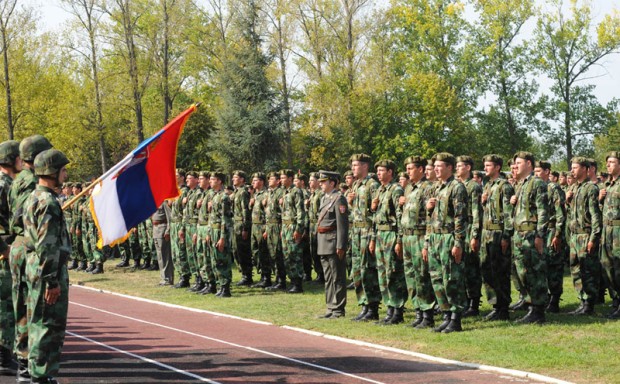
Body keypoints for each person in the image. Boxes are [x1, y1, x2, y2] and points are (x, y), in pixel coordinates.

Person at [23, 149, 71, 384]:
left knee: (39, 323)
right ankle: (42, 377)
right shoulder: (48, 202)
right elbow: (47, 245)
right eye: (62, 169)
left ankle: (39, 375)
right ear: (51, 171)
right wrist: (52, 281)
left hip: (37, 268)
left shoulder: (34, 197)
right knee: (47, 325)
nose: (65, 173)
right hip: (47, 271)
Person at [9, 135, 52, 381]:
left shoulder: (19, 179)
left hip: (20, 245)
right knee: (33, 308)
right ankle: (29, 364)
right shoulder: (30, 182)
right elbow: (24, 217)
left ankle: (26, 363)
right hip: (27, 247)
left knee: (25, 305)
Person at [423, 153, 468, 333]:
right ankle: (446, 314)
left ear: (450, 167)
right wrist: (426, 242)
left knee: (452, 278)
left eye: (440, 166)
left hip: (449, 237)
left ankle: (456, 318)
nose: (436, 169)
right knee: (437, 278)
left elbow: (460, 217)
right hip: (434, 237)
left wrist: (458, 243)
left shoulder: (457, 187)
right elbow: (430, 219)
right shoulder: (436, 188)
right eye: (435, 166)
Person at [510, 151, 549, 324]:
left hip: (531, 235)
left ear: (529, 164)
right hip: (519, 235)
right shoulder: (521, 185)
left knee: (534, 273)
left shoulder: (537, 183)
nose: (515, 166)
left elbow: (543, 211)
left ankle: (538, 310)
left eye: (518, 163)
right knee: (522, 273)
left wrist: (540, 236)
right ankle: (530, 305)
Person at [399, 156, 435, 329]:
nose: (407, 171)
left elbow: (430, 218)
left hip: (420, 237)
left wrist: (427, 243)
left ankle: (427, 314)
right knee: (411, 277)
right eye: (407, 168)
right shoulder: (408, 189)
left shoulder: (427, 188)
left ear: (420, 169)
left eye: (411, 168)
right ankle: (418, 312)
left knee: (422, 276)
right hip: (407, 237)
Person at [369, 159, 407, 325]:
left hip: (391, 234)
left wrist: (399, 240)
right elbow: (375, 217)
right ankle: (389, 308)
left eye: (382, 170)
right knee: (382, 274)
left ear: (390, 172)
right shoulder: (380, 190)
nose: (378, 173)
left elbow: (400, 217)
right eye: (377, 170)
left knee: (393, 273)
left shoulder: (396, 189)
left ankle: (397, 311)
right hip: (380, 234)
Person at [479, 155, 514, 321]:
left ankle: (503, 307)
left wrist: (506, 236)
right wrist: (483, 202)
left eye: (488, 165)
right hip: (486, 234)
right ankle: (495, 305)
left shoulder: (504, 186)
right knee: (487, 271)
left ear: (498, 167)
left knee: (500, 271)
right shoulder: (488, 186)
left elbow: (508, 214)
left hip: (498, 233)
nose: (485, 168)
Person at [566, 157, 602, 315]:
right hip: (574, 236)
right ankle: (582, 301)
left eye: (575, 167)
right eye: (571, 167)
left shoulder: (590, 188)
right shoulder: (574, 188)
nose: (572, 170)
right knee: (575, 270)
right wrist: (568, 201)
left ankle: (589, 304)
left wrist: (593, 238)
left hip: (585, 235)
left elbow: (595, 216)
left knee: (588, 270)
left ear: (584, 169)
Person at [348, 154, 381, 321]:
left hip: (367, 233)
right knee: (357, 271)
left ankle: (373, 307)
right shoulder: (355, 185)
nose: (353, 168)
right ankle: (364, 304)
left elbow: (376, 214)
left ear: (365, 166)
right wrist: (350, 202)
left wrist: (373, 238)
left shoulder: (372, 185)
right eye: (353, 165)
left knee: (368, 270)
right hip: (356, 232)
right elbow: (356, 212)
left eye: (356, 165)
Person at [534, 160, 566, 313]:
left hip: (553, 231)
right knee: (543, 266)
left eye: (539, 171)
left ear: (547, 171)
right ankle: (545, 298)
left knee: (554, 266)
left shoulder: (553, 188)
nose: (536, 174)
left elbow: (560, 214)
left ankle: (554, 300)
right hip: (542, 231)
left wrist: (558, 235)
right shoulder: (538, 187)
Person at [316, 171, 349, 319]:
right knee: (328, 277)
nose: (320, 184)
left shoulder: (339, 199)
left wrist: (341, 245)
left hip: (333, 242)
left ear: (332, 183)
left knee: (337, 277)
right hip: (323, 241)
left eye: (324, 182)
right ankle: (330, 306)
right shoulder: (325, 198)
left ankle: (338, 309)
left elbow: (342, 225)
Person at [0, 140, 20, 374]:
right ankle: (4, 358)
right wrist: (4, 248)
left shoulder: (9, 183)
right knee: (5, 307)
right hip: (4, 254)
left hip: (8, 250)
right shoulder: (4, 185)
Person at [455, 155, 483, 317]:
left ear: (468, 168)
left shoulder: (473, 187)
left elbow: (476, 212)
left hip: (470, 227)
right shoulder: (457, 185)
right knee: (461, 268)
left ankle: (473, 304)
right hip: (460, 229)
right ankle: (463, 300)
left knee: (471, 268)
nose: (458, 168)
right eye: (457, 166)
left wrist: (474, 236)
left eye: (460, 166)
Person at [279, 169, 306, 293]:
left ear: (290, 179)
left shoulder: (296, 191)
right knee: (287, 255)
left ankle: (298, 283)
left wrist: (299, 229)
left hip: (293, 227)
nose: (281, 180)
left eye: (283, 178)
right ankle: (292, 281)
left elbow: (300, 212)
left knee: (295, 255)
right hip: (285, 227)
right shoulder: (285, 192)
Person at [601, 151, 620, 318]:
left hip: (618, 232)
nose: (608, 165)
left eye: (612, 162)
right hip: (606, 232)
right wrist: (601, 199)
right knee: (607, 267)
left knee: (619, 268)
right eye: (607, 162)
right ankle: (615, 302)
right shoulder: (607, 185)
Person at [231, 171, 252, 286]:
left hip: (240, 225)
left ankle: (247, 275)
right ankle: (244, 273)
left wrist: (245, 228)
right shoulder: (236, 192)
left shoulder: (243, 192)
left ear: (242, 179)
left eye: (236, 177)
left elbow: (245, 211)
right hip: (235, 224)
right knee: (236, 251)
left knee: (243, 251)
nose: (233, 179)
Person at [152, 202, 173, 286]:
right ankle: (163, 278)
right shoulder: (153, 202)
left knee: (165, 256)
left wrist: (167, 231)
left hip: (162, 229)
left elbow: (170, 217)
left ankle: (168, 279)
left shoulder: (164, 202)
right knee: (160, 256)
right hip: (155, 229)